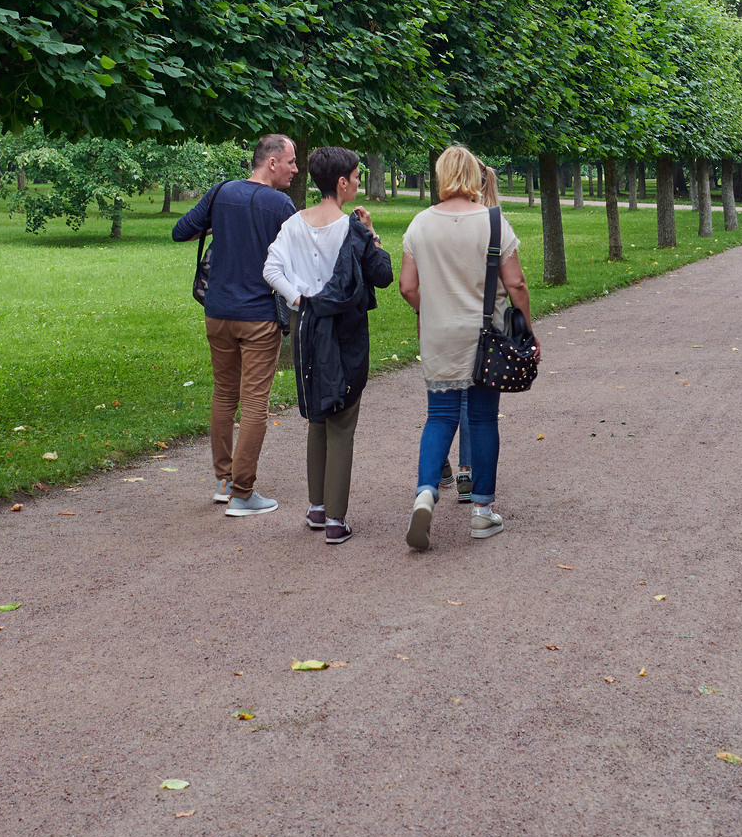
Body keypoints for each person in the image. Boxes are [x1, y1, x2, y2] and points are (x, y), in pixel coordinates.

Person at [399, 143, 542, 550]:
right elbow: (515, 284)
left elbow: (407, 286)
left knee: (439, 415)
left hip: (439, 334)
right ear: (476, 177)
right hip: (485, 337)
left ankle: (426, 492)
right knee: (482, 419)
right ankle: (481, 511)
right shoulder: (494, 223)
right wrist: (527, 330)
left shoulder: (419, 224)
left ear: (442, 175)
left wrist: (435, 310)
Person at [265, 147, 393, 544]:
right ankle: (336, 519)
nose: (358, 182)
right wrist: (371, 234)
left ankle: (317, 507)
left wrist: (298, 299)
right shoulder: (352, 229)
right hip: (344, 329)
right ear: (341, 183)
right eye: (356, 177)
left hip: (307, 323)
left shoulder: (293, 224)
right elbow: (383, 275)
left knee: (318, 415)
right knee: (343, 420)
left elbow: (271, 268)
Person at [172, 135, 299, 515]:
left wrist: (222, 226)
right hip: (258, 316)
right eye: (291, 162)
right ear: (272, 162)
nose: (295, 169)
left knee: (224, 394)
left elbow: (183, 230)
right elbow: (297, 255)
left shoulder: (220, 192)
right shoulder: (280, 204)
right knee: (255, 403)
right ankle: (243, 494)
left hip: (217, 311)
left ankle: (223, 481)